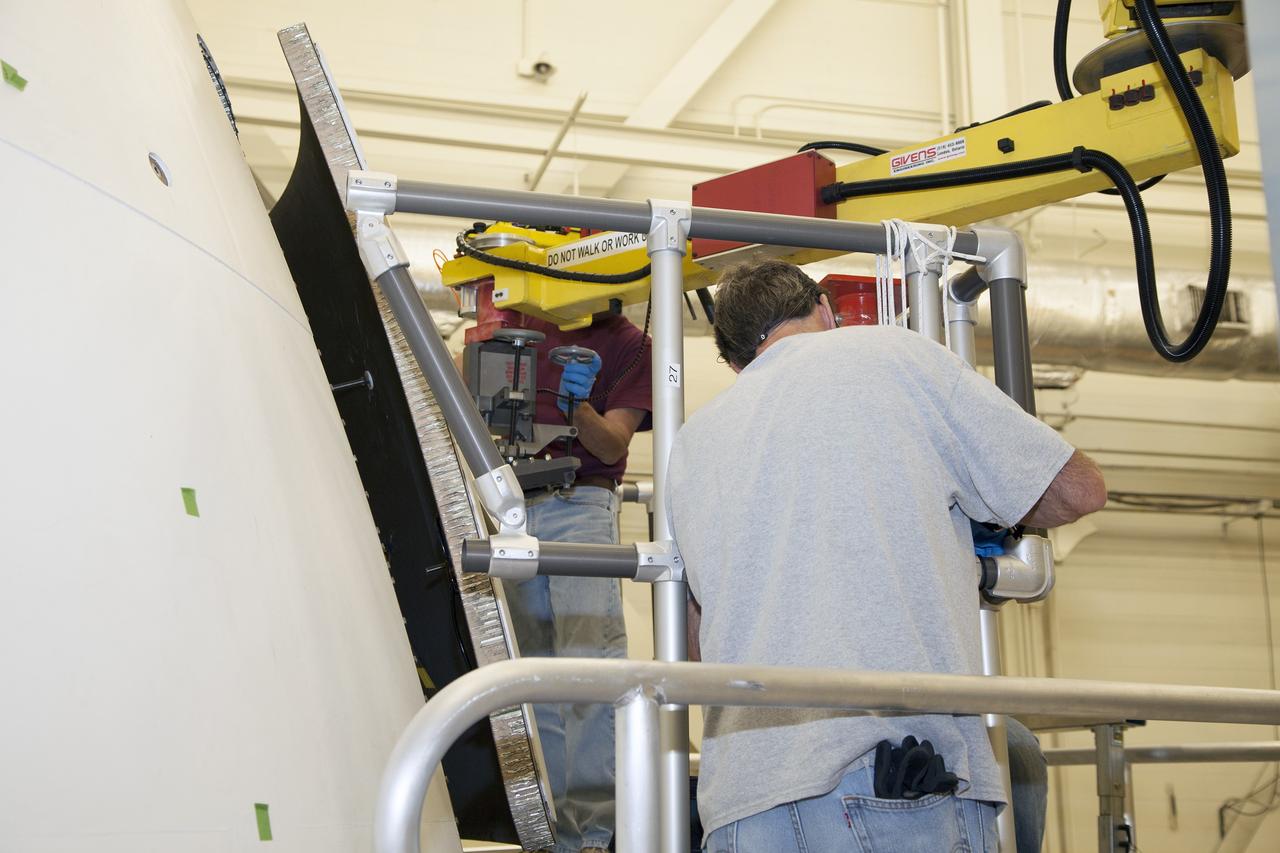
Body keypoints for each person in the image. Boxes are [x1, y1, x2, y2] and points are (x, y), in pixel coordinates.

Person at [668, 260, 1105, 853]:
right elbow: (1076, 490)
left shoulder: (693, 441)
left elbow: (700, 644)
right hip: (889, 778)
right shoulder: (893, 355)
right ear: (826, 309)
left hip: (741, 806)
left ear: (734, 360)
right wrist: (973, 515)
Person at [500, 309, 652, 853]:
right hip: (515, 503)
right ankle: (554, 834)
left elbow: (611, 446)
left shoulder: (628, 343)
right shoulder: (513, 321)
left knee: (587, 669)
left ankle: (594, 838)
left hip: (579, 500)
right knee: (535, 677)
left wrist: (577, 406)